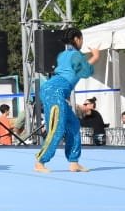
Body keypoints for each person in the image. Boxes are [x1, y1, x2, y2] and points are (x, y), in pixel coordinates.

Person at [35, 28, 99, 173]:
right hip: (55, 91)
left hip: (54, 90)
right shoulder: (76, 55)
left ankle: (74, 162)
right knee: (58, 127)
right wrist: (95, 56)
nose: (82, 42)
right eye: (81, 39)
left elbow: (76, 70)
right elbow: (85, 72)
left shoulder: (62, 55)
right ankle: (40, 161)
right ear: (76, 39)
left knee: (73, 124)